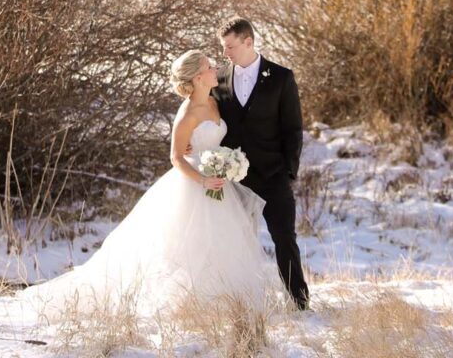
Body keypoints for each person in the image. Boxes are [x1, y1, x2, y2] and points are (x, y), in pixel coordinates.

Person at [18, 50, 281, 322]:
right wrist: (203, 179)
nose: (215, 69)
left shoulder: (215, 102)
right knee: (188, 246)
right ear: (198, 76)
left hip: (218, 183)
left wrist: (228, 162)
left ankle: (225, 303)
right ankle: (187, 304)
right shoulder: (187, 114)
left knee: (223, 243)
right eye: (209, 66)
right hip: (194, 184)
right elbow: (176, 157)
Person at [213, 17, 310, 310]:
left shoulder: (281, 77)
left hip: (273, 175)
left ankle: (299, 302)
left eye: (230, 46)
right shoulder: (216, 80)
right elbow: (207, 119)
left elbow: (293, 128)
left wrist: (288, 173)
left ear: (248, 42)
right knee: (234, 242)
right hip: (233, 179)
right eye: (223, 47)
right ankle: (238, 303)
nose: (226, 53)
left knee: (284, 239)